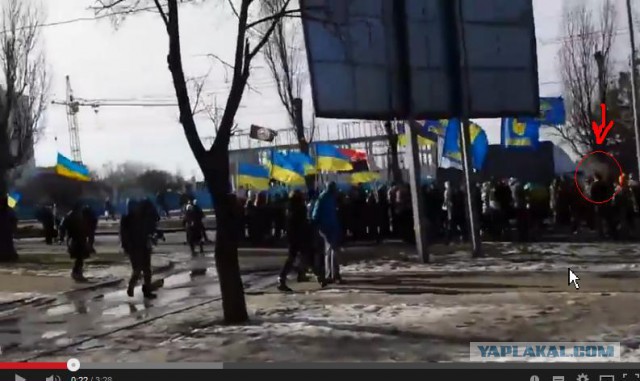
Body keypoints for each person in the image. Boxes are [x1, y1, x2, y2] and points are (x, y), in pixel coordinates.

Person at [120, 199, 156, 299]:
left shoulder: (143, 216)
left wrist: (151, 237)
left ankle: (147, 290)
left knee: (147, 270)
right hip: (134, 247)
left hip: (144, 245)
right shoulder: (126, 218)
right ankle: (131, 287)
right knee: (137, 269)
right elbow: (123, 234)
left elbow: (149, 228)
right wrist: (126, 246)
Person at [278, 190, 311, 292]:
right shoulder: (299, 207)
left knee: (298, 255)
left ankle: (300, 273)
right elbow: (302, 222)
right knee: (294, 256)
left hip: (292, 234)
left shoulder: (289, 207)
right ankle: (282, 277)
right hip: (298, 235)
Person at [312, 181, 343, 284]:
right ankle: (334, 274)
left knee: (329, 250)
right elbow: (316, 213)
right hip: (328, 226)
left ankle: (330, 273)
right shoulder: (326, 197)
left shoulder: (326, 197)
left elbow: (316, 213)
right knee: (332, 250)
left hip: (328, 226)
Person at [60, 203, 94, 282]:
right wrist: (62, 237)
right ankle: (76, 273)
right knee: (79, 256)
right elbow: (62, 227)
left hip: (79, 238)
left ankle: (77, 273)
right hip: (75, 239)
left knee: (81, 257)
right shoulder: (71, 216)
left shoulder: (76, 215)